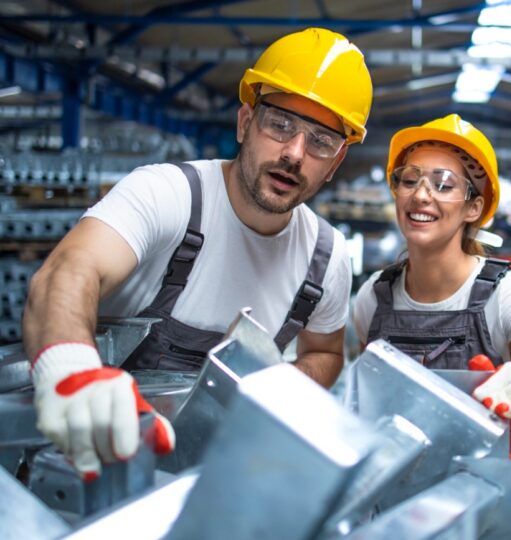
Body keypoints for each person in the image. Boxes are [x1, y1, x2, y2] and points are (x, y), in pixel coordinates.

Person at [22, 28, 373, 479]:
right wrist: (70, 368)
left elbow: (325, 352)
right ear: (245, 122)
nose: (294, 153)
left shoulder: (326, 257)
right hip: (92, 470)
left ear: (336, 162)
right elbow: (68, 271)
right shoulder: (168, 194)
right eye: (280, 124)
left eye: (321, 142)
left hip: (221, 479)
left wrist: (274, 391)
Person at [352, 114, 511, 457]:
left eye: (444, 184)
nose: (420, 195)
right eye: (409, 180)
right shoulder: (372, 299)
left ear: (474, 208)